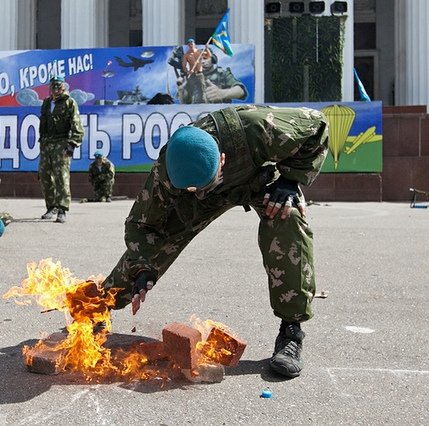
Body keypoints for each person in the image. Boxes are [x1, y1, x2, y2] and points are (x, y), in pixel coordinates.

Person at [102, 105, 330, 378]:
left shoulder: (260, 128)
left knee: (288, 217)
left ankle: (291, 332)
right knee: (153, 246)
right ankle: (99, 304)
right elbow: (141, 224)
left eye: (204, 187)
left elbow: (318, 126)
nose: (200, 193)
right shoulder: (168, 169)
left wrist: (292, 180)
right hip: (200, 194)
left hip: (262, 180)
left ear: (222, 159)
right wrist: (142, 268)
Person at [38, 75, 84, 223]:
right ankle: (51, 207)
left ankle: (62, 209)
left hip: (61, 143)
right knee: (45, 176)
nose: (57, 89)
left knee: (61, 178)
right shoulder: (46, 103)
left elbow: (77, 127)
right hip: (46, 145)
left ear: (64, 86)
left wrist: (71, 146)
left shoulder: (69, 103)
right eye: (54, 86)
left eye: (59, 85)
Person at [180, 39, 208, 104]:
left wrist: (207, 48)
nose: (190, 45)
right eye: (189, 44)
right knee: (190, 89)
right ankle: (189, 103)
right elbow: (184, 65)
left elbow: (208, 55)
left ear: (194, 44)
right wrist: (188, 71)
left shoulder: (199, 52)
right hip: (192, 74)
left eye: (191, 44)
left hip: (199, 73)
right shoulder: (186, 55)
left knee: (202, 88)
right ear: (188, 45)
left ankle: (203, 103)